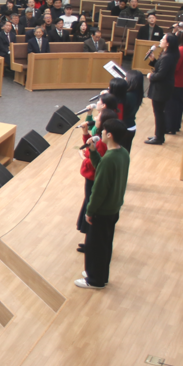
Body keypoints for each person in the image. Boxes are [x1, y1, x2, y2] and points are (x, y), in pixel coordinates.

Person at [76, 119, 129, 290]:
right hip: (113, 208)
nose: (101, 134)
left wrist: (90, 211)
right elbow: (101, 169)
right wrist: (93, 152)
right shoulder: (123, 153)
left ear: (109, 135)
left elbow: (98, 190)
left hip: (102, 210)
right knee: (104, 244)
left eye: (104, 131)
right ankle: (98, 274)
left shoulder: (109, 159)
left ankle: (95, 280)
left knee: (95, 246)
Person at [144, 34, 179, 146]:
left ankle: (159, 137)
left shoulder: (168, 57)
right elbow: (160, 67)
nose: (161, 40)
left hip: (161, 88)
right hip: (162, 87)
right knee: (159, 112)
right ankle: (159, 134)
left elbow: (161, 75)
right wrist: (153, 60)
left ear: (168, 43)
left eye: (163, 39)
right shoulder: (166, 54)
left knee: (159, 113)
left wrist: (150, 76)